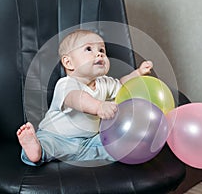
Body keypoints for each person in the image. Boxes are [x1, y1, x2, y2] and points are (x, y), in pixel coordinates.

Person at [17, 29, 153, 166]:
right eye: (89, 49)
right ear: (69, 63)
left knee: (110, 145)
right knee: (47, 144)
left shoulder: (104, 82)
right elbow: (77, 99)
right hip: (57, 136)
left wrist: (137, 74)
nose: (99, 53)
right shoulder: (65, 84)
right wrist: (99, 106)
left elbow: (122, 86)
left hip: (88, 141)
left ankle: (126, 148)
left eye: (102, 50)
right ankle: (35, 151)